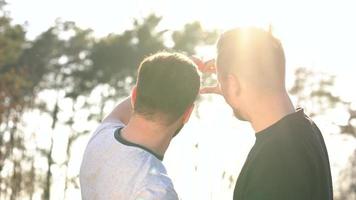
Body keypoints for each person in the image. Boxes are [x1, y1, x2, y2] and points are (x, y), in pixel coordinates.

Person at [195, 28, 333, 200]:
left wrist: (231, 88)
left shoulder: (272, 164)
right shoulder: (307, 129)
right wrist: (230, 85)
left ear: (233, 84)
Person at [80, 52, 200, 200]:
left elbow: (134, 100)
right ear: (188, 114)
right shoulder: (157, 191)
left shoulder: (102, 136)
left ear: (134, 95)